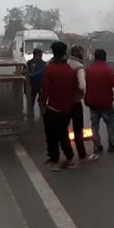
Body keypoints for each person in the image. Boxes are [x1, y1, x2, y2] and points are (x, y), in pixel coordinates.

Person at [40, 42, 77, 171]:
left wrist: (42, 104)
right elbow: (74, 89)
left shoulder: (49, 69)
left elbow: (45, 89)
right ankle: (69, 158)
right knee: (63, 134)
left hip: (53, 108)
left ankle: (54, 159)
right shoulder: (70, 70)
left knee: (51, 135)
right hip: (67, 108)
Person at [67, 45, 87, 160]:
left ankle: (68, 154)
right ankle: (81, 153)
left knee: (63, 128)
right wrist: (82, 94)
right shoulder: (79, 67)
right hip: (75, 102)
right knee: (77, 130)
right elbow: (82, 85)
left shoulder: (66, 64)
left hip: (64, 101)